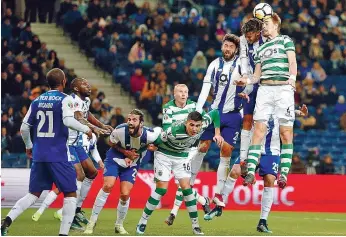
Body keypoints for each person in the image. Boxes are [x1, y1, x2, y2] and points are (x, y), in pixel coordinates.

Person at [1, 68, 92, 236]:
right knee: (71, 193)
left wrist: (29, 146)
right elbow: (68, 120)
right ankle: (63, 233)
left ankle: (7, 221)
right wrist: (86, 129)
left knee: (33, 193)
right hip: (58, 154)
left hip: (39, 154)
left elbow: (24, 128)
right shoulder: (66, 99)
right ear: (64, 82)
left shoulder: (37, 101)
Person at [204, 105, 308, 233]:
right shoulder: (256, 102)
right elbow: (241, 113)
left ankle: (263, 221)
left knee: (270, 180)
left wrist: (299, 112)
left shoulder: (279, 103)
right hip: (253, 147)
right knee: (235, 171)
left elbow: (288, 112)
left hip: (271, 151)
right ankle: (219, 206)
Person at [234, 13, 297, 188]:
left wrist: (292, 77)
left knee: (286, 133)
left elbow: (292, 62)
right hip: (265, 89)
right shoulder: (260, 49)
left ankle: (283, 174)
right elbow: (256, 76)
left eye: (267, 23)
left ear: (276, 25)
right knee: (258, 131)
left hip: (284, 89)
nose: (263, 26)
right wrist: (245, 81)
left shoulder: (286, 40)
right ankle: (251, 171)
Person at [136, 110, 224, 235]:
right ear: (186, 123)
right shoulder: (174, 131)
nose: (194, 129)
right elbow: (156, 140)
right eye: (191, 125)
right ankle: (142, 221)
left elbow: (215, 113)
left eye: (197, 126)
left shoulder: (203, 123)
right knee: (161, 190)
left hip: (182, 156)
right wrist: (147, 149)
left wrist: (217, 133)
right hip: (164, 155)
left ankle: (195, 226)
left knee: (187, 190)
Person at [194, 33, 252, 208]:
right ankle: (189, 182)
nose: (227, 49)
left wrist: (246, 92)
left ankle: (218, 194)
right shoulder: (214, 65)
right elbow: (205, 88)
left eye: (231, 47)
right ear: (222, 47)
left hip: (233, 115)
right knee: (203, 147)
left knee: (225, 153)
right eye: (225, 46)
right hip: (214, 113)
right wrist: (198, 110)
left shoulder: (242, 66)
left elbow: (250, 83)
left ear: (236, 50)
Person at [84, 109, 161, 235]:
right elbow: (111, 142)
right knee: (108, 185)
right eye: (129, 119)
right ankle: (92, 222)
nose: (130, 122)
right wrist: (125, 152)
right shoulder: (120, 130)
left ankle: (119, 225)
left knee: (125, 194)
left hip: (133, 162)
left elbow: (160, 135)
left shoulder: (150, 135)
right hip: (115, 158)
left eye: (134, 120)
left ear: (141, 123)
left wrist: (152, 148)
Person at [162, 84, 210, 226]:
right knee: (184, 184)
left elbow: (204, 122)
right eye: (180, 92)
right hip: (178, 149)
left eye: (186, 92)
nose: (183, 94)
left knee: (182, 183)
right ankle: (202, 201)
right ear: (174, 94)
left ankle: (173, 214)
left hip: (193, 149)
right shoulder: (168, 108)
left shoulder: (194, 106)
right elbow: (167, 129)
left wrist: (205, 141)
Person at [31, 132, 104, 221]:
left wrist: (99, 161)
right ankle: (43, 211)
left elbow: (93, 149)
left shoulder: (91, 136)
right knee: (63, 186)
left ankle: (75, 210)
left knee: (86, 177)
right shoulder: (74, 131)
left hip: (81, 163)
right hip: (69, 159)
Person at [239, 18, 266, 175]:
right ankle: (243, 158)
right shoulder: (243, 40)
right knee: (247, 119)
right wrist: (245, 78)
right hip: (251, 80)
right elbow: (243, 60)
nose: (248, 38)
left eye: (250, 36)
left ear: (258, 33)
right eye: (246, 36)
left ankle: (259, 155)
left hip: (265, 83)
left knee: (260, 121)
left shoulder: (267, 39)